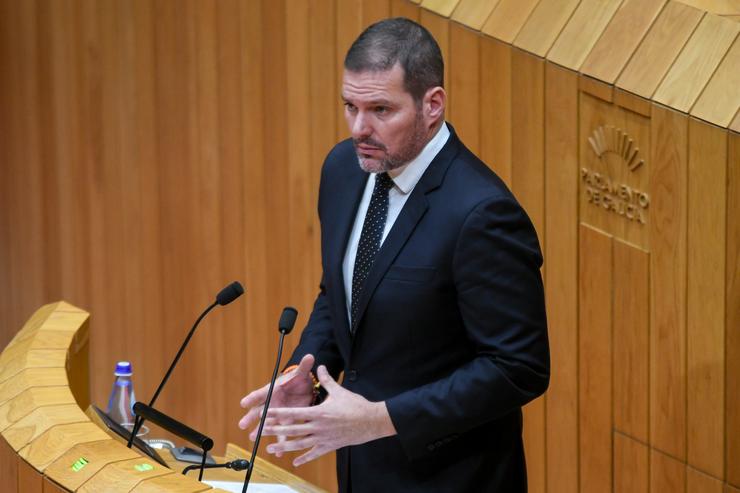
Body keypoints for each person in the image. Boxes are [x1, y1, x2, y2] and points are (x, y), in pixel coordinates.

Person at [238, 17, 549, 493]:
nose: (361, 128)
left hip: (453, 479)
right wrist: (309, 370)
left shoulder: (482, 213)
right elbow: (341, 292)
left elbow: (518, 368)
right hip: (361, 471)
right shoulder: (344, 169)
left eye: (381, 109)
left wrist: (383, 419)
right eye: (351, 107)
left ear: (432, 105)